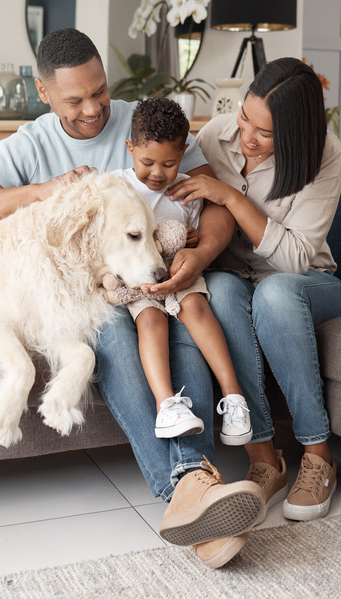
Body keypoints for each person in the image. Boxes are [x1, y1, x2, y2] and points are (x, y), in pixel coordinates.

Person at [0, 28, 264, 569]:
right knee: (114, 329)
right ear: (43, 92)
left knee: (182, 316)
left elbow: (216, 202)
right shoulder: (31, 143)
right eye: (75, 99)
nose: (93, 109)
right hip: (95, 296)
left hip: (164, 275)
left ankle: (197, 493)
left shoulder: (145, 124)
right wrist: (46, 191)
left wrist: (200, 255)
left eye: (100, 92)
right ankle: (194, 483)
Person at [167, 57, 341, 526]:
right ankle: (265, 460)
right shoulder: (214, 137)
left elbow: (293, 259)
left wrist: (231, 197)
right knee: (220, 295)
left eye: (265, 133)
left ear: (295, 133)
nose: (247, 135)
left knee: (274, 295)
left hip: (308, 284)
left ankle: (319, 454)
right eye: (246, 118)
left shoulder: (325, 154)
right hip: (235, 277)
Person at [110, 96, 252, 445]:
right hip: (142, 281)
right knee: (150, 320)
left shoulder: (187, 189)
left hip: (180, 274)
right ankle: (166, 406)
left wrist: (191, 237)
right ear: (130, 149)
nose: (158, 174)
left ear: (184, 152)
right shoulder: (116, 187)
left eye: (169, 164)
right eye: (147, 162)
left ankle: (234, 399)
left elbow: (196, 233)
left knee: (197, 308)